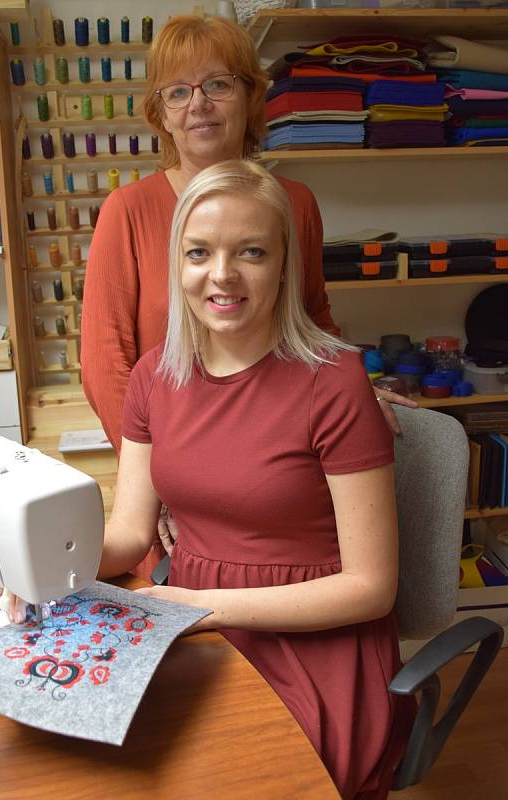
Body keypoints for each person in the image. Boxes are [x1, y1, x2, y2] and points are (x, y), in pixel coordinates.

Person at [100, 159, 416, 800]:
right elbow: (131, 533)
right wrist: (40, 567)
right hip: (196, 627)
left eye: (250, 251)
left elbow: (371, 587)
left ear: (283, 265)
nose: (222, 274)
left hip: (316, 642)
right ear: (177, 264)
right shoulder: (153, 376)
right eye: (199, 252)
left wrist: (201, 609)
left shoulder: (335, 383)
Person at [81, 14, 415, 576]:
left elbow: (312, 319)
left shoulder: (295, 202)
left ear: (249, 97)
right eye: (178, 91)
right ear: (159, 112)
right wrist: (162, 479)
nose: (199, 104)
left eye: (218, 84)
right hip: (175, 484)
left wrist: (356, 393)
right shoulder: (128, 211)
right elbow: (105, 363)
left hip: (276, 484)